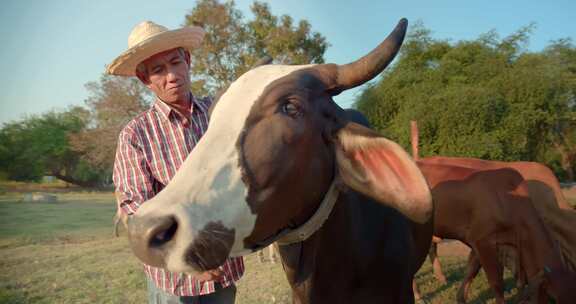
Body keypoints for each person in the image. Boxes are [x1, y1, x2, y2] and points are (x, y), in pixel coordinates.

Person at [107, 20, 244, 304]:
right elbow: (137, 210)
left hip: (224, 266)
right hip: (173, 279)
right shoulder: (136, 134)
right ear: (145, 79)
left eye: (175, 62)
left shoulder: (220, 112)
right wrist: (186, 259)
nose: (171, 76)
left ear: (187, 60)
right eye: (158, 70)